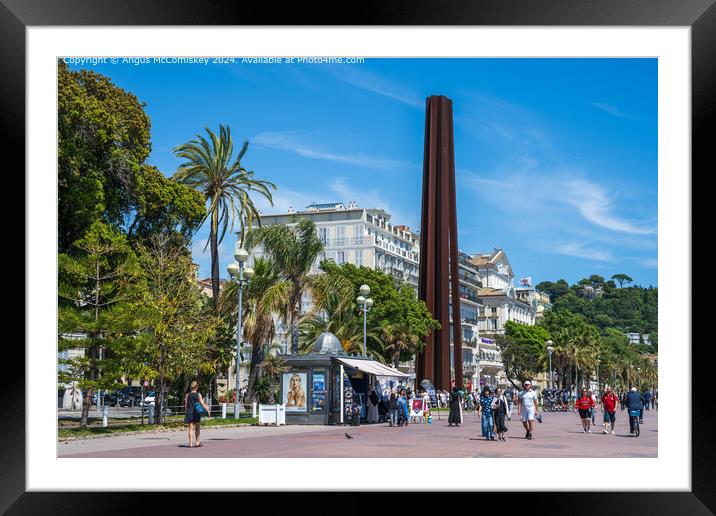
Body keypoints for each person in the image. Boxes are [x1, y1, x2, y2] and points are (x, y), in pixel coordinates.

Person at [184, 380, 211, 448]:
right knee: (197, 428)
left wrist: (186, 412)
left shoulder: (187, 395)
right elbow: (202, 404)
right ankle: (197, 442)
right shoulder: (198, 394)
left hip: (189, 412)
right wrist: (208, 410)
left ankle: (190, 443)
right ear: (196, 387)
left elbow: (186, 405)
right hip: (196, 413)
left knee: (190, 428)